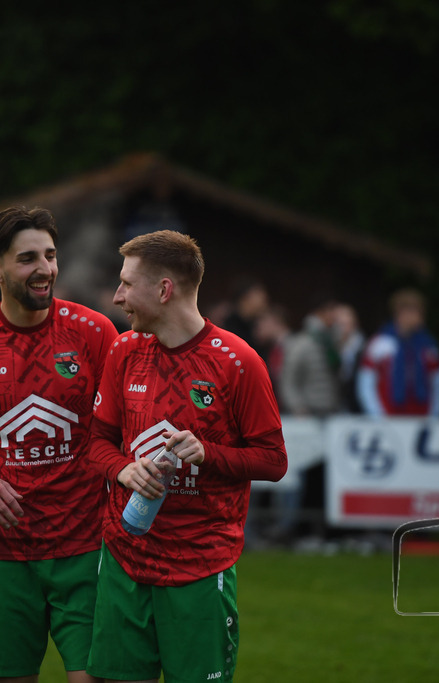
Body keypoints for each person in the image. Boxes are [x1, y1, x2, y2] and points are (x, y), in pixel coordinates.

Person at [86, 230, 287, 682]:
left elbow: (274, 460)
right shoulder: (123, 350)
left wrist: (208, 454)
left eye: (126, 284)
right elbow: (95, 442)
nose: (117, 297)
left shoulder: (238, 361)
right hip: (124, 557)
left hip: (200, 565)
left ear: (163, 289)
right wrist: (122, 470)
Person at [0, 206, 117, 682]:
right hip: (2, 551)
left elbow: (120, 433)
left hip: (86, 544)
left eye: (51, 256)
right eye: (28, 258)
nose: (45, 269)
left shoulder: (94, 332)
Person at [356, 287, 439, 416]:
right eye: (417, 312)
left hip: (421, 417)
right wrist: (377, 415)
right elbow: (366, 383)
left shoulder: (428, 345)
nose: (421, 317)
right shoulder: (380, 344)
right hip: (389, 417)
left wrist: (434, 414)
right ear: (402, 313)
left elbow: (437, 383)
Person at [279, 299, 342, 417]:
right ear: (320, 313)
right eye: (331, 311)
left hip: (332, 412)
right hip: (309, 413)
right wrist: (297, 407)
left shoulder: (333, 341)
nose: (335, 316)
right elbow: (288, 379)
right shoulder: (302, 343)